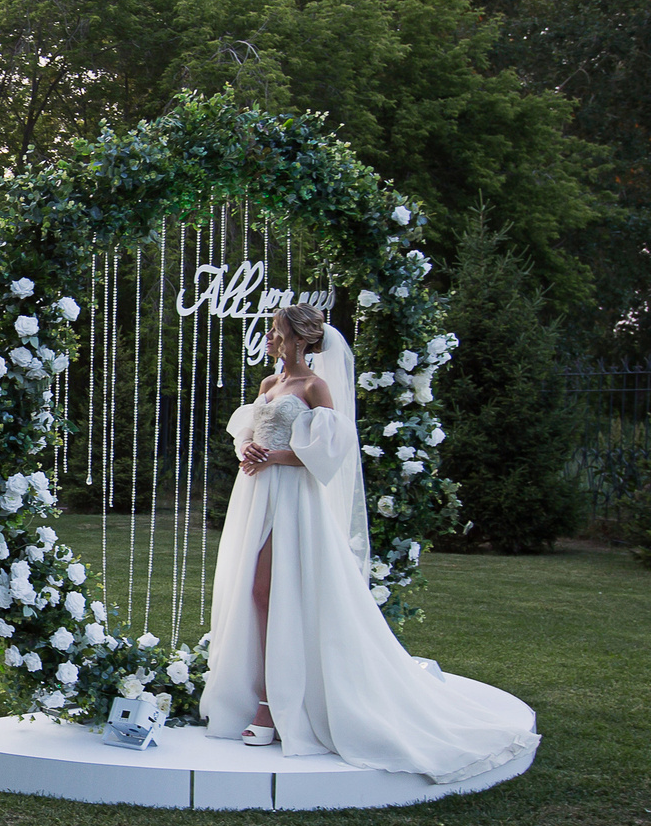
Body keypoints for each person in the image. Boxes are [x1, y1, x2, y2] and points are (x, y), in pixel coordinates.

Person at [199, 302, 537, 785]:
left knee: (272, 592)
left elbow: (330, 450)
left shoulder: (316, 387)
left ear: (299, 339)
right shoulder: (268, 386)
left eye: (275, 332)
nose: (269, 339)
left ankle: (276, 705)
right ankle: (253, 692)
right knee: (249, 589)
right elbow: (249, 433)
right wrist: (248, 449)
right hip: (255, 494)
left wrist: (273, 455)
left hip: (294, 499)